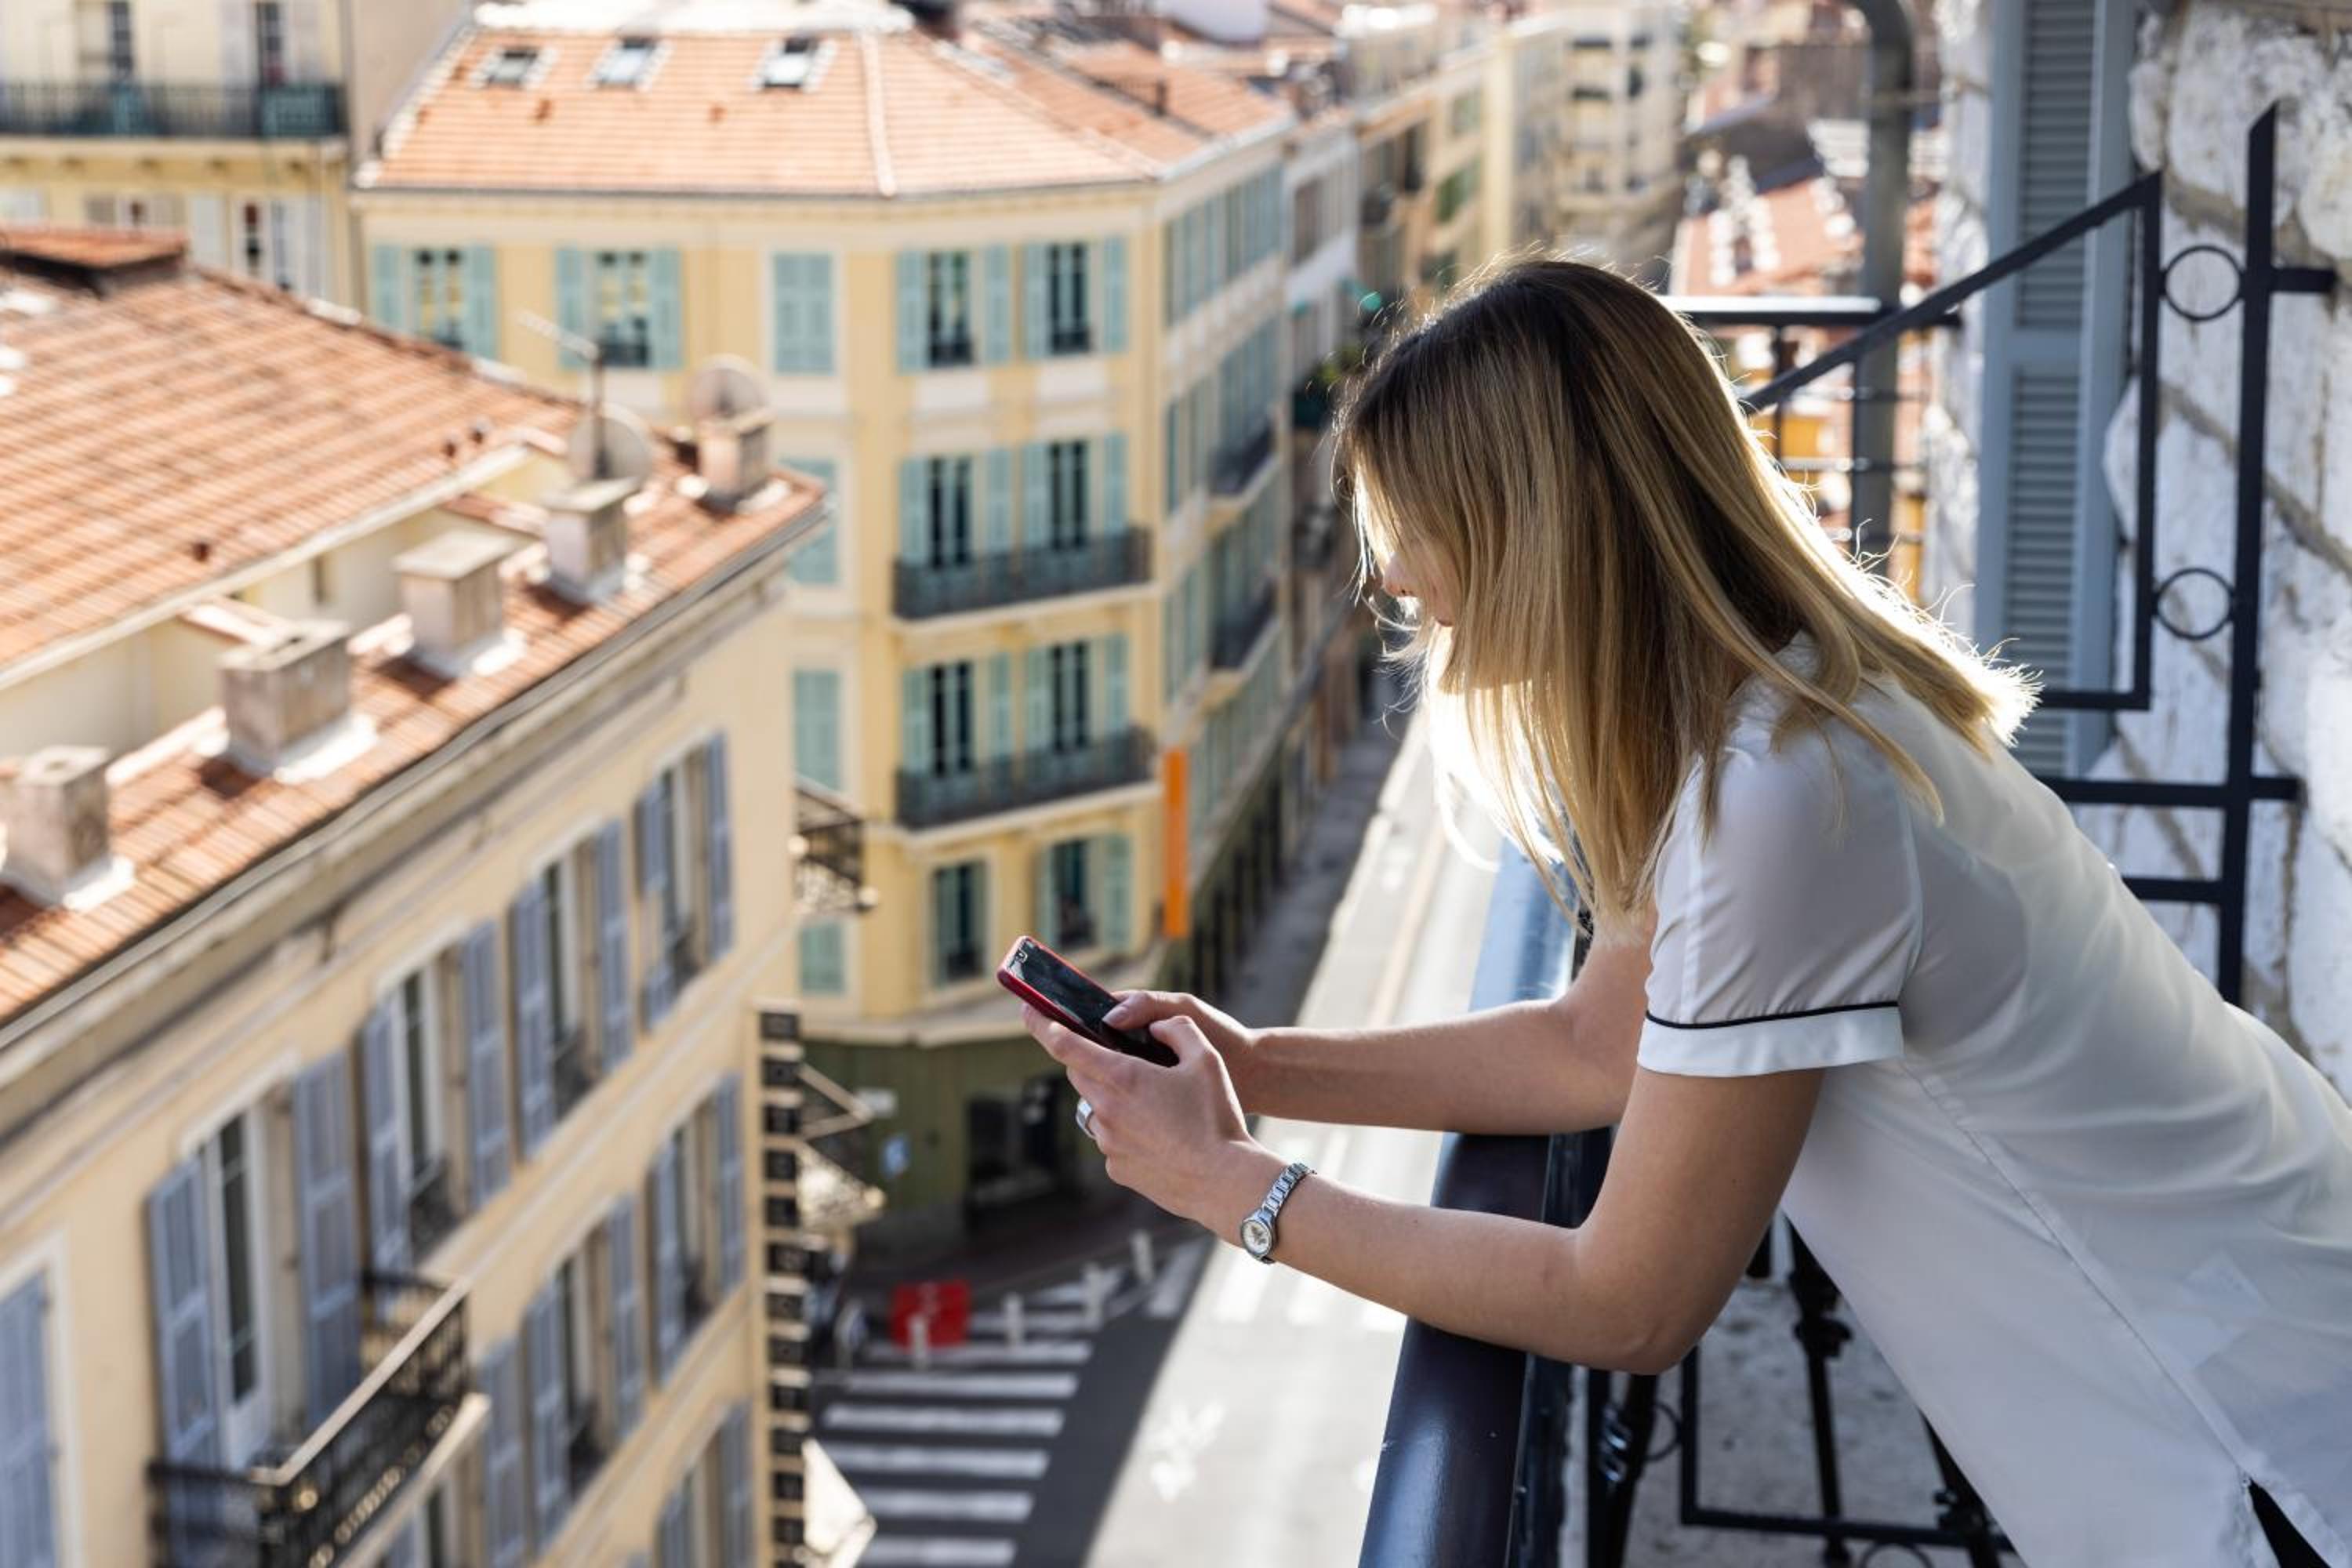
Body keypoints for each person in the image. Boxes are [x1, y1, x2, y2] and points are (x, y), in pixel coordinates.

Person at [1015, 257, 2352, 1566]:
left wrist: (1230, 1187)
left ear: (1531, 530)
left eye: (1412, 528)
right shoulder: (1779, 708)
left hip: (2255, 1448)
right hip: (2263, 1331)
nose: (1398, 585)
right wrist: (1259, 1065)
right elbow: (1601, 1046)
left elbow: (1630, 1301)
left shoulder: (1786, 797)